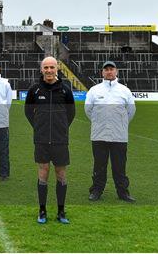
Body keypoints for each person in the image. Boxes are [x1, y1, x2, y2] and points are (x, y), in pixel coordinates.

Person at [24, 56, 75, 224]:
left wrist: (61, 127)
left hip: (60, 140)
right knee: (43, 173)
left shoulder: (66, 89)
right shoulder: (34, 90)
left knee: (61, 175)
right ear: (41, 70)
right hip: (42, 140)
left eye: (52, 67)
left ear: (57, 69)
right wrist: (39, 127)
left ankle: (61, 211)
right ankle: (42, 210)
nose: (49, 71)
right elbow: (28, 113)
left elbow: (71, 114)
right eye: (45, 68)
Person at [85, 61, 136, 202]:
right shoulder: (94, 91)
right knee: (99, 165)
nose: (109, 72)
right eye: (106, 69)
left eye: (111, 69)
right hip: (99, 135)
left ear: (116, 71)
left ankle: (123, 192)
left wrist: (119, 124)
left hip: (119, 136)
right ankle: (96, 190)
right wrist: (100, 123)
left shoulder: (125, 91)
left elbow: (130, 112)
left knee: (119, 166)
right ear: (102, 72)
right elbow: (88, 111)